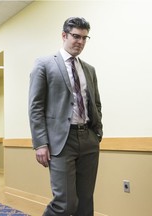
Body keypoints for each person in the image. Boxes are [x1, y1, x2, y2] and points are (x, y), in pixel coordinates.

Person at [28, 17, 103, 216]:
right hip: (61, 141)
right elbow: (35, 106)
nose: (80, 41)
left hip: (88, 138)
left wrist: (97, 133)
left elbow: (95, 103)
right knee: (65, 203)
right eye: (76, 36)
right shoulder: (44, 64)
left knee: (85, 202)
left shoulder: (89, 69)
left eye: (84, 38)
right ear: (64, 35)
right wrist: (41, 143)